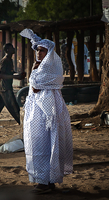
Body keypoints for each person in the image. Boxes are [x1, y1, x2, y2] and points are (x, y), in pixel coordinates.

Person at [20, 29, 73, 194]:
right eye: (37, 50)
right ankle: (48, 181)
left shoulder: (48, 66)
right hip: (40, 111)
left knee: (42, 144)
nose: (38, 52)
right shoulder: (42, 66)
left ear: (48, 51)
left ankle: (44, 182)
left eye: (42, 50)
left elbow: (35, 87)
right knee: (42, 143)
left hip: (46, 113)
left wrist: (35, 70)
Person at [0, 43, 26, 137]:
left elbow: (9, 72)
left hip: (2, 88)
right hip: (5, 89)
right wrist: (15, 77)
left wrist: (18, 75)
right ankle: (26, 130)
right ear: (7, 50)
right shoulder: (5, 60)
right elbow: (0, 75)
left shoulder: (9, 60)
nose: (14, 49)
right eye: (12, 48)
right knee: (15, 110)